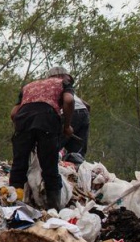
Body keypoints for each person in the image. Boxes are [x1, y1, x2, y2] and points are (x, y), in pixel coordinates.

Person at [9, 67, 75, 210]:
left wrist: (24, 129)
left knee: (19, 166)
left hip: (23, 119)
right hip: (47, 119)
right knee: (49, 166)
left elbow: (14, 113)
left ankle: (12, 205)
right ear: (64, 76)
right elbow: (69, 101)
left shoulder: (29, 86)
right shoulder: (63, 83)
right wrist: (67, 126)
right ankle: (54, 211)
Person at [61, 94, 90, 162]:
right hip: (84, 112)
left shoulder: (44, 92)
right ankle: (76, 169)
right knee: (77, 153)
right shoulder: (68, 92)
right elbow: (88, 106)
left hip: (69, 112)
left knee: (54, 146)